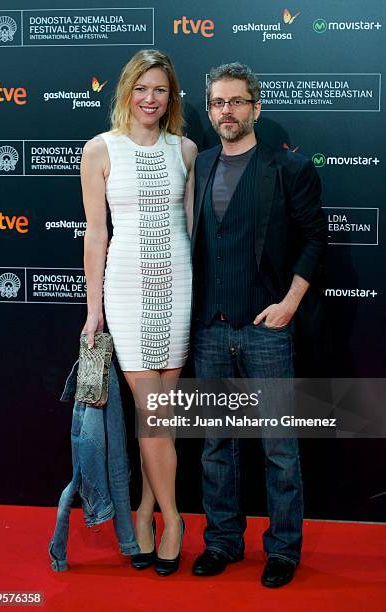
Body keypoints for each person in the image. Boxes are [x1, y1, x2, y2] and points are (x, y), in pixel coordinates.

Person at [191, 63, 326, 587]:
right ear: (210, 112)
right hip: (208, 330)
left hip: (266, 329)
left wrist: (290, 303)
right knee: (215, 447)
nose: (227, 112)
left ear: (256, 107)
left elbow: (316, 238)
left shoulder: (287, 168)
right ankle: (223, 542)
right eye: (219, 104)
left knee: (279, 447)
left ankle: (283, 550)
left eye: (237, 102)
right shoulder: (197, 167)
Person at [80, 49, 197, 576]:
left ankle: (147, 514)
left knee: (160, 415)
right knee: (151, 410)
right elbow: (97, 233)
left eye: (161, 90)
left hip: (178, 283)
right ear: (126, 90)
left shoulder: (187, 150)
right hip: (126, 287)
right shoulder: (100, 149)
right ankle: (174, 520)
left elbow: (192, 231)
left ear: (171, 97)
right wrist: (93, 309)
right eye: (141, 88)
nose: (150, 99)